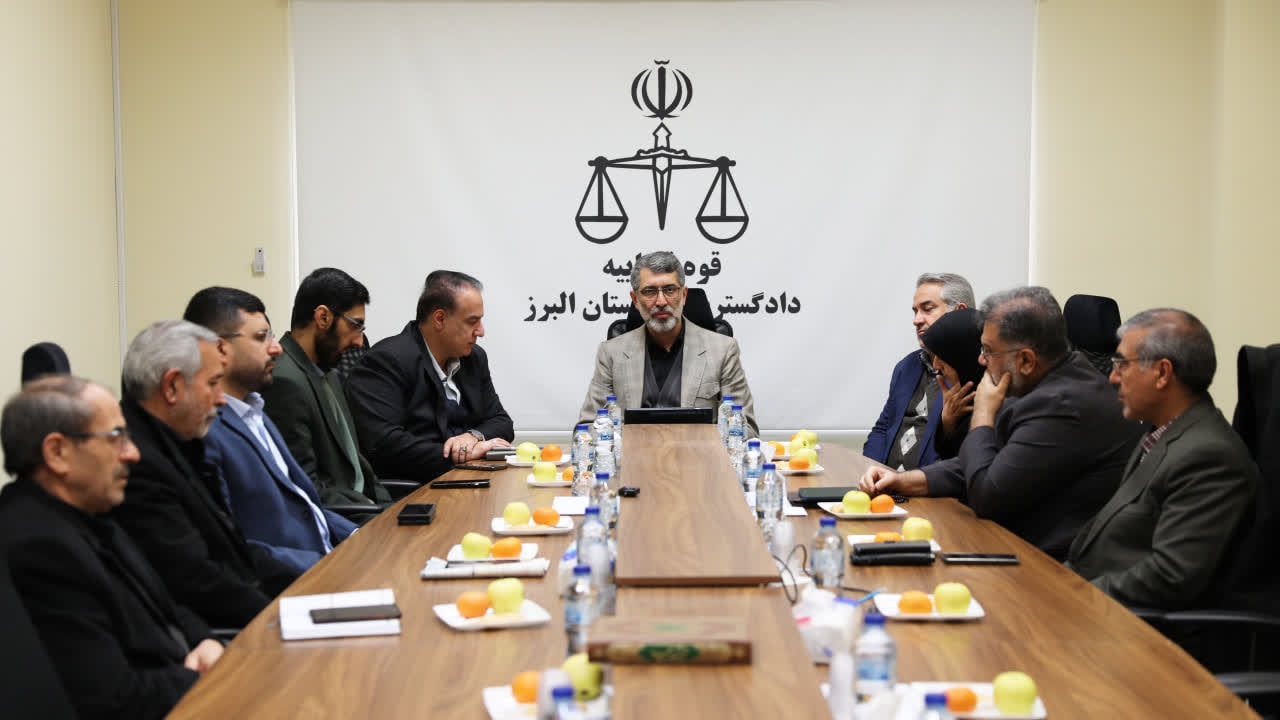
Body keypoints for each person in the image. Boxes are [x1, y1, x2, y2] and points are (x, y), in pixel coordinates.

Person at [860, 286, 1142, 560]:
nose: (980, 359)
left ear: (1026, 360)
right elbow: (984, 462)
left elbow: (987, 496)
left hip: (1059, 568)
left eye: (988, 350)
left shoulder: (1062, 403)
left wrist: (983, 414)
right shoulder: (1042, 383)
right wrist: (903, 481)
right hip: (1021, 547)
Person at [0, 376, 224, 719]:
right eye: (116, 437)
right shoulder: (39, 547)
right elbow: (111, 698)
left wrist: (205, 640)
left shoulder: (91, 512)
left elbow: (165, 607)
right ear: (57, 453)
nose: (133, 453)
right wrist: (203, 677)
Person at [1067, 309, 1258, 609]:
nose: (1113, 377)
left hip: (1126, 622)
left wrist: (1075, 597)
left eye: (1122, 364)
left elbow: (1170, 575)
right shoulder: (1163, 432)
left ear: (1162, 373)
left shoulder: (1208, 455)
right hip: (1091, 597)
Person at [113, 320, 298, 628]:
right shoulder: (138, 465)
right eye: (213, 383)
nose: (221, 398)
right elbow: (194, 579)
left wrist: (312, 584)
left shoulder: (181, 443)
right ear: (172, 387)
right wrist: (282, 616)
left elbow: (233, 551)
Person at [184, 287, 357, 574]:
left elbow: (304, 505)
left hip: (328, 560)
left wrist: (357, 536)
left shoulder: (255, 410)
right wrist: (328, 565)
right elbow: (234, 546)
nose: (276, 348)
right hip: (296, 579)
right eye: (261, 337)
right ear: (220, 348)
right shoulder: (205, 431)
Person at [346, 270, 514, 482]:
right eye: (472, 321)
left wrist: (472, 436)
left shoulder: (474, 358)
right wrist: (461, 454)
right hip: (419, 487)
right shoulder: (387, 360)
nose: (481, 331)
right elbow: (384, 444)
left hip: (472, 479)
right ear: (440, 319)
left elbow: (501, 421)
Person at [577, 250, 759, 437]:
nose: (661, 301)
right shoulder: (611, 353)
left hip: (698, 454)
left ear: (684, 295)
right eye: (649, 291)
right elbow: (587, 428)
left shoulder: (723, 350)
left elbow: (748, 430)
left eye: (670, 290)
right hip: (633, 453)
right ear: (635, 300)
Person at [258, 268, 390, 508]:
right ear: (323, 317)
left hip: (364, 509)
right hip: (343, 519)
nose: (360, 341)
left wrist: (393, 510)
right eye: (356, 326)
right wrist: (377, 514)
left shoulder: (329, 372)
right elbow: (305, 488)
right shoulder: (284, 381)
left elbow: (358, 466)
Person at [862, 272, 974, 470]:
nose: (916, 320)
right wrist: (870, 470)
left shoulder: (976, 373)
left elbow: (965, 458)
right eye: (915, 311)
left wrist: (948, 426)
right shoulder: (906, 367)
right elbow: (883, 429)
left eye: (927, 309)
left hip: (928, 485)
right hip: (885, 483)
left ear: (959, 312)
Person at [919, 307, 983, 459]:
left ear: (963, 356)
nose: (936, 366)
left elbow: (972, 465)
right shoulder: (960, 401)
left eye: (942, 355)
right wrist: (947, 424)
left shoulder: (1001, 407)